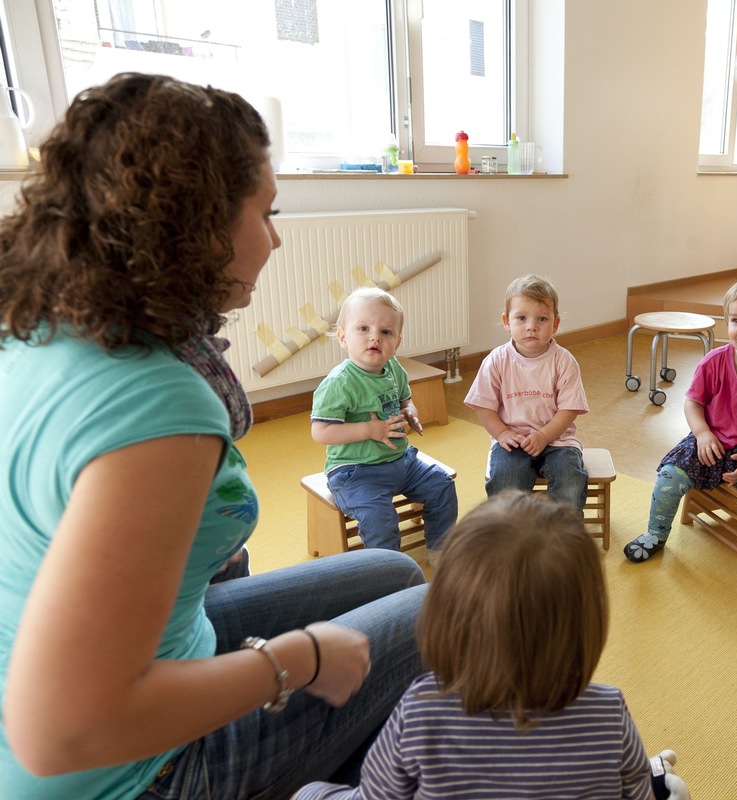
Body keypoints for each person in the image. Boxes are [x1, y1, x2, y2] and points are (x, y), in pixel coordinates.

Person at [0, 73, 428, 800]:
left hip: (127, 653)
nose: (276, 237)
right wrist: (293, 661)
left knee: (398, 576)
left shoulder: (40, 324)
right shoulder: (161, 406)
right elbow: (58, 733)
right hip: (126, 773)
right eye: (265, 212)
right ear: (195, 223)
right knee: (427, 619)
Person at [294, 492, 691, 800]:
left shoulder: (422, 709)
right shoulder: (607, 711)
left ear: (444, 617)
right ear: (587, 624)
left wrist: (311, 792)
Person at [623, 274, 737, 576]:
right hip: (708, 439)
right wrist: (702, 433)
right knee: (669, 475)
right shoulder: (713, 361)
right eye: (736, 320)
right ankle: (655, 534)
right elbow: (693, 403)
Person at [311, 287, 459, 555]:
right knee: (381, 519)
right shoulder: (338, 383)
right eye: (363, 329)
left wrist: (410, 412)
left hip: (401, 462)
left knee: (442, 486)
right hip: (354, 472)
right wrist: (369, 429)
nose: (375, 338)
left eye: (385, 332)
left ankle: (441, 550)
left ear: (397, 342)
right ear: (343, 337)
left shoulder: (394, 368)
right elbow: (320, 432)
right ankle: (387, 570)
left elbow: (405, 399)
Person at [465, 273, 590, 507]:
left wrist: (544, 436)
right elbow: (483, 406)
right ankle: (510, 534)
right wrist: (502, 434)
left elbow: (569, 409)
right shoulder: (497, 360)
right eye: (521, 318)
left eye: (542, 319)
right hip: (513, 439)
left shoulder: (564, 361)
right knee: (507, 481)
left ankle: (562, 535)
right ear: (506, 321)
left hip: (558, 440)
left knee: (570, 479)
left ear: (555, 323)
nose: (531, 326)